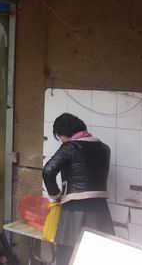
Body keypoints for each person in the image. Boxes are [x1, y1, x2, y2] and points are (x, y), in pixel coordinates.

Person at [43, 113, 114, 265]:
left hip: (75, 209)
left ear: (63, 133)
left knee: (68, 255)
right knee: (97, 255)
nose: (61, 140)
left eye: (60, 137)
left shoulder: (69, 147)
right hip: (101, 209)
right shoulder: (104, 148)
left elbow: (48, 170)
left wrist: (56, 194)